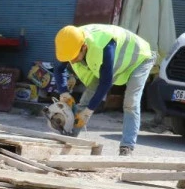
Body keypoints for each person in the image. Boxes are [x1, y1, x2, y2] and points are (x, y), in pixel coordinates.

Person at [52, 24, 153, 156]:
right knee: (85, 100)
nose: (73, 61)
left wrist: (88, 112)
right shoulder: (71, 41)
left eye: (75, 57)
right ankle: (70, 139)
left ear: (84, 47)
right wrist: (64, 93)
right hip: (116, 61)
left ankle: (127, 147)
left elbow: (105, 83)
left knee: (130, 103)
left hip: (140, 59)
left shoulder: (104, 46)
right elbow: (59, 69)